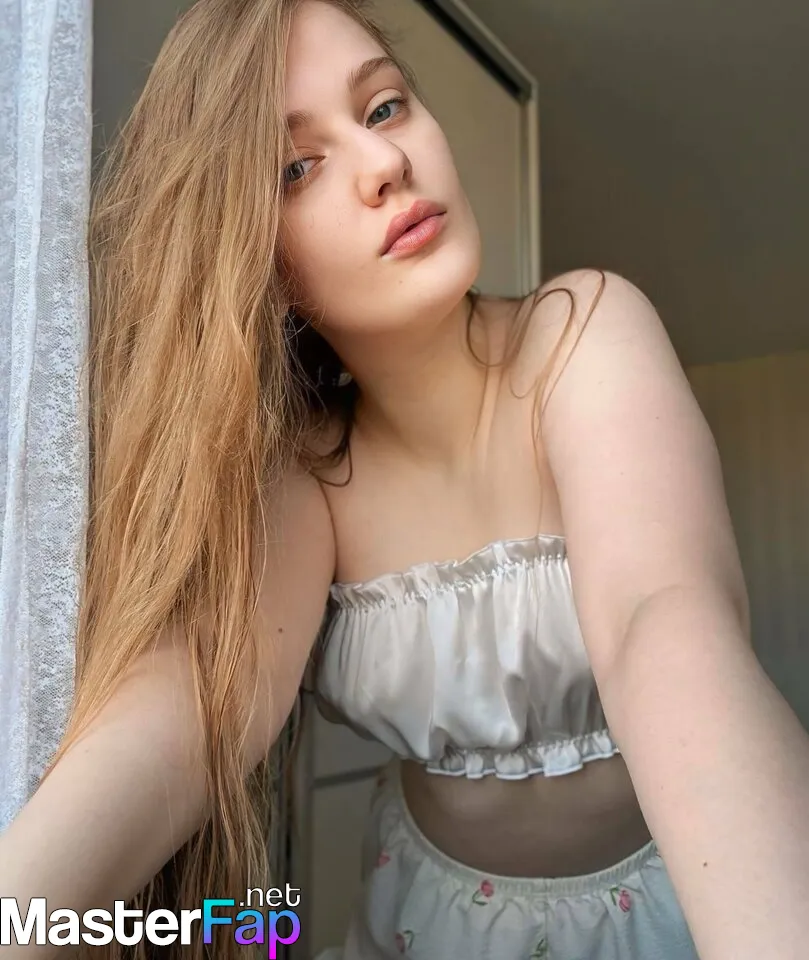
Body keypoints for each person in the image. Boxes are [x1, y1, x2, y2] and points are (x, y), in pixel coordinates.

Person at [1, 0, 808, 958]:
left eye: (384, 108)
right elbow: (193, 711)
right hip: (429, 923)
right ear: (252, 256)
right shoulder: (309, 473)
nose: (386, 162)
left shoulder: (584, 330)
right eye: (297, 168)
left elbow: (662, 624)